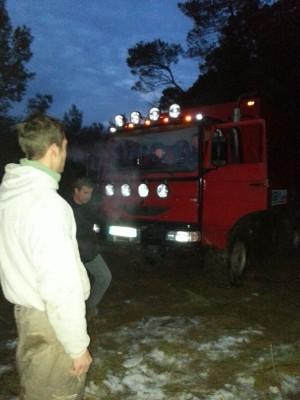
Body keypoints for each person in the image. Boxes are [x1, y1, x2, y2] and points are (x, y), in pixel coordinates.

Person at [0, 114, 92, 399]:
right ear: (53, 149)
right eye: (65, 147)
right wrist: (77, 348)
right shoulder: (47, 205)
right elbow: (60, 286)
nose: (66, 153)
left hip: (27, 315)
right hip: (51, 323)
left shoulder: (11, 194)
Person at [69, 177, 112, 319]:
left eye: (90, 193)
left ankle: (90, 306)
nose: (88, 196)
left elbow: (99, 221)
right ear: (76, 191)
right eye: (85, 193)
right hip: (72, 254)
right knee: (74, 287)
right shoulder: (66, 208)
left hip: (90, 251)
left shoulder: (90, 205)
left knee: (105, 277)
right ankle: (75, 316)